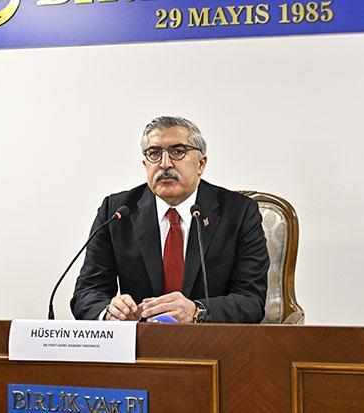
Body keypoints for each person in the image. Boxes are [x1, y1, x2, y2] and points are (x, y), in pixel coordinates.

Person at [70, 116, 269, 323]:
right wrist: (110, 312)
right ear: (145, 164)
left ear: (201, 164)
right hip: (140, 339)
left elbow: (251, 300)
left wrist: (197, 311)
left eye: (178, 151)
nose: (165, 163)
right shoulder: (117, 212)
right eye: (154, 153)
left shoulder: (239, 212)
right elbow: (87, 292)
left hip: (211, 339)